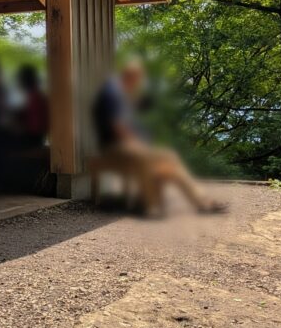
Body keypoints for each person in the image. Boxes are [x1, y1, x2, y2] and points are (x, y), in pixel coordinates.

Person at [92, 59, 227, 214]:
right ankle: (152, 205)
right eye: (135, 80)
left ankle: (202, 201)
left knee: (169, 157)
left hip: (133, 145)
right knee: (144, 156)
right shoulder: (111, 95)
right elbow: (117, 127)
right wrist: (138, 143)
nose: (137, 85)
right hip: (114, 147)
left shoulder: (129, 99)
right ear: (126, 77)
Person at [14, 64, 49, 148]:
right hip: (36, 135)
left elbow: (33, 122)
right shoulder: (36, 95)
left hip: (33, 136)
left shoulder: (34, 96)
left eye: (21, 79)